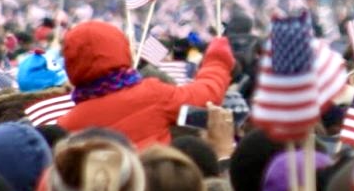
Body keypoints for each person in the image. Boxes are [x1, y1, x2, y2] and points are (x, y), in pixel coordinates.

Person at [56, 21, 235, 148]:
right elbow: (206, 96)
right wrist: (217, 61)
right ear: (121, 49)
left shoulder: (66, 126)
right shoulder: (152, 95)